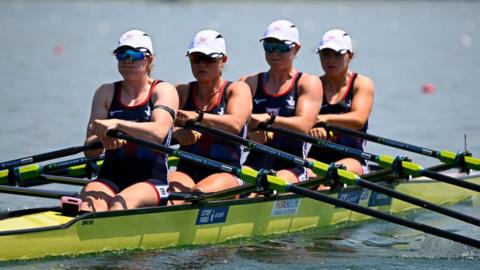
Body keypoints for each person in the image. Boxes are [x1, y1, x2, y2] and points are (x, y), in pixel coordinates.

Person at [80, 29, 179, 212]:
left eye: (134, 54)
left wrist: (117, 125)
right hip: (110, 176)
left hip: (152, 180)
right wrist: (103, 139)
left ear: (149, 59)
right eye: (122, 54)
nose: (127, 60)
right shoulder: (105, 92)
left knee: (120, 203)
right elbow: (90, 152)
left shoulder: (163, 90)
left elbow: (159, 133)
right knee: (89, 202)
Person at [168, 30, 252, 194]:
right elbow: (159, 127)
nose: (201, 64)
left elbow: (234, 124)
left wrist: (198, 117)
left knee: (199, 193)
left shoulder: (236, 89)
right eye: (196, 58)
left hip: (226, 171)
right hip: (186, 169)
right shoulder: (181, 91)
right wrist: (177, 132)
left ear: (223, 60)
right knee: (172, 194)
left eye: (208, 59)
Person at [241, 19, 323, 184]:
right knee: (234, 182)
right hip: (255, 161)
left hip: (293, 165)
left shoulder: (308, 83)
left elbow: (304, 124)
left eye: (282, 47)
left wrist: (270, 119)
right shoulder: (249, 82)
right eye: (269, 47)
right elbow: (237, 124)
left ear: (296, 48)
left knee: (271, 182)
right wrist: (249, 135)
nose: (274, 53)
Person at [307, 29, 375, 176]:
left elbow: (358, 120)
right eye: (325, 54)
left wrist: (323, 119)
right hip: (317, 156)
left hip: (352, 158)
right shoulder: (313, 85)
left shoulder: (361, 84)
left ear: (350, 56)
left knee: (333, 173)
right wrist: (311, 128)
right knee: (302, 174)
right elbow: (301, 120)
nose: (330, 60)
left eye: (337, 54)